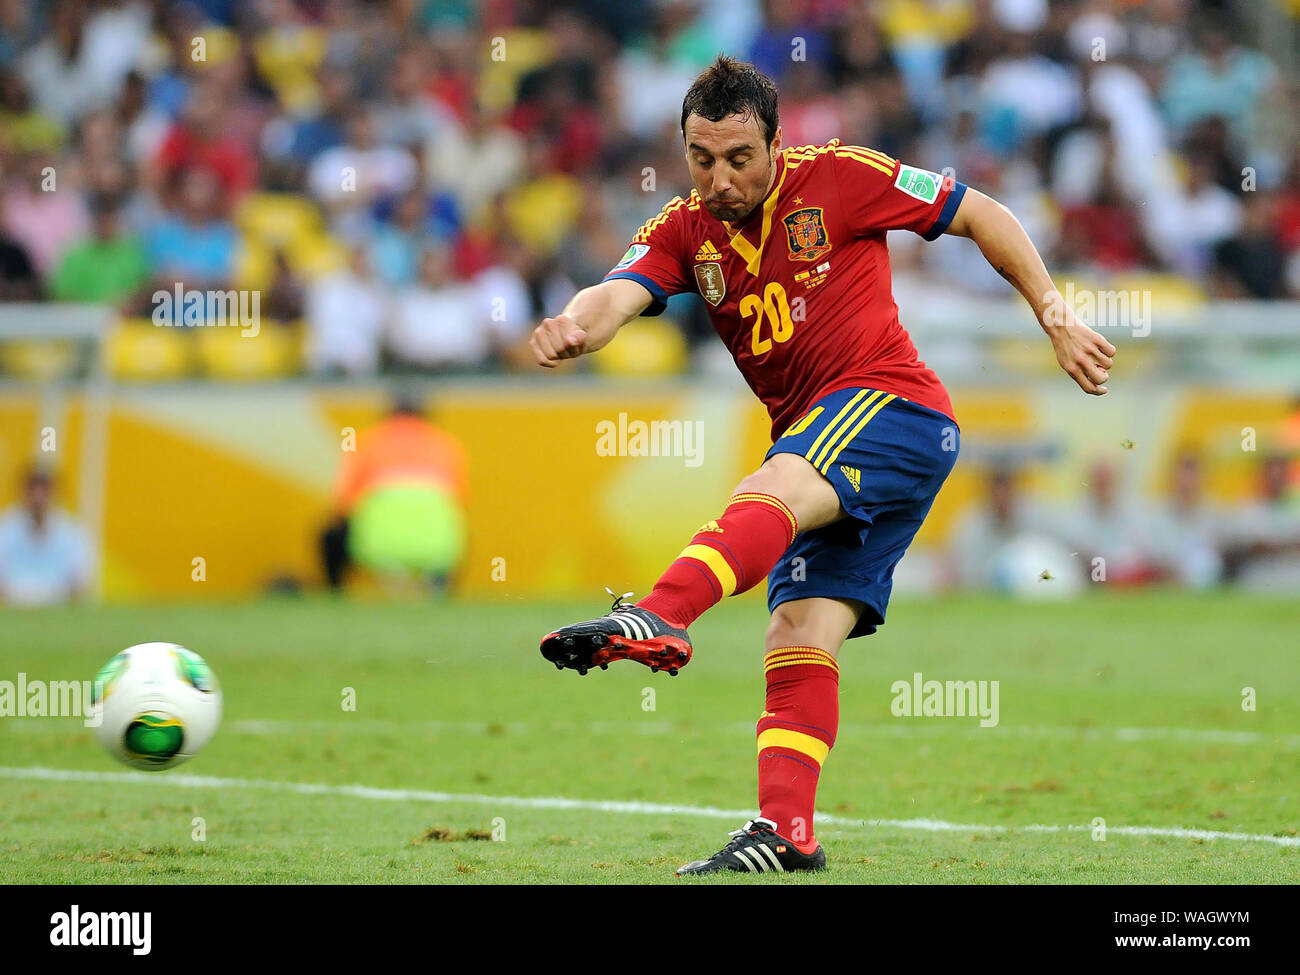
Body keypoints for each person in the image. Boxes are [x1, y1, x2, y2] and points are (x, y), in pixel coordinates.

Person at [528, 56, 1115, 876]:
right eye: (702, 159)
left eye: (739, 158)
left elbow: (982, 212)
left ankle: (661, 613)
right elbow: (615, 293)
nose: (721, 178)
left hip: (894, 406)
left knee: (774, 483)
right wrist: (573, 324)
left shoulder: (840, 175)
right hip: (832, 440)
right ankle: (787, 832)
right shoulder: (683, 229)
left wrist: (1055, 316)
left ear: (774, 143)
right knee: (798, 629)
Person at [321, 396, 468, 592]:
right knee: (457, 531)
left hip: (374, 544)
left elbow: (343, 502)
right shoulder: (446, 445)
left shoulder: (366, 442)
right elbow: (459, 501)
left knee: (331, 536)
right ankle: (439, 589)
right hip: (437, 547)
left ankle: (336, 593)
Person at [0, 469, 93, 606]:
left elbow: (81, 580)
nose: (38, 499)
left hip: (59, 609)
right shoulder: (5, 528)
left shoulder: (72, 531)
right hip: (13, 607)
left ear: (53, 495)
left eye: (44, 492)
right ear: (24, 493)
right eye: (33, 492)